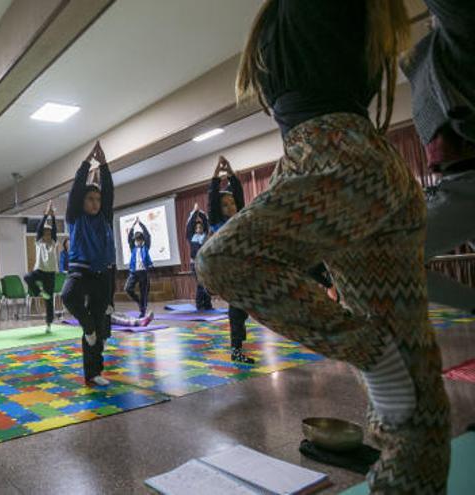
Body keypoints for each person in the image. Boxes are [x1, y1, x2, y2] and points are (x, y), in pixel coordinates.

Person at [197, 1, 449, 490]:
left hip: (340, 157)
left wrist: (367, 352)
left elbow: (229, 264)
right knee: (413, 405)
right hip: (341, 159)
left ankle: (377, 357)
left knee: (222, 260)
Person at [401, 0, 475, 313]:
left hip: (467, 183)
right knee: (394, 259)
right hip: (458, 183)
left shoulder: (461, 35)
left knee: (393, 258)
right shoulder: (430, 58)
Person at [61, 141, 114, 386]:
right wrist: (86, 164)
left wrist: (104, 165)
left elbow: (109, 191)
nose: (95, 203)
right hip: (80, 272)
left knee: (99, 328)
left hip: (103, 274)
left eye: (97, 199)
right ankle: (88, 325)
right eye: (90, 199)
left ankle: (94, 373)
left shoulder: (105, 217)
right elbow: (75, 191)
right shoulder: (75, 217)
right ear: (82, 202)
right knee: (69, 295)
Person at [206, 157, 253, 364]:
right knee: (236, 311)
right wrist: (217, 175)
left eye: (232, 203)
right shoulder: (217, 222)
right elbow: (211, 201)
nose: (231, 206)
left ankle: (238, 343)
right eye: (225, 205)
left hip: (244, 271)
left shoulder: (240, 218)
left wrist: (231, 173)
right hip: (228, 274)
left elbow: (240, 195)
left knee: (241, 311)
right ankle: (236, 348)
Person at [24, 200, 59, 333]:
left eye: (49, 234)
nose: (47, 235)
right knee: (27, 277)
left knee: (49, 301)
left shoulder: (54, 243)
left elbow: (54, 229)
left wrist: (53, 216)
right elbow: (39, 229)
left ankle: (49, 324)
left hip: (50, 274)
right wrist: (45, 215)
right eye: (45, 234)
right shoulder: (39, 242)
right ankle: (39, 292)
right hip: (39, 270)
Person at [185, 204, 213, 311]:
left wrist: (200, 212)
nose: (199, 228)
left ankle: (207, 304)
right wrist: (194, 212)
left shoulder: (205, 235)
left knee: (205, 283)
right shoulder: (191, 236)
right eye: (197, 227)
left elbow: (206, 222)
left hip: (204, 263)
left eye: (200, 227)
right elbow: (189, 225)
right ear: (195, 229)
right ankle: (199, 304)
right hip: (195, 264)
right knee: (200, 284)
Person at [124, 217, 153, 318]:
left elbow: (148, 236)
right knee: (128, 289)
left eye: (140, 240)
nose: (138, 241)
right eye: (136, 240)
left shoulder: (146, 247)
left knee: (144, 293)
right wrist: (133, 226)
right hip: (134, 273)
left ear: (142, 240)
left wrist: (141, 224)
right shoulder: (133, 248)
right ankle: (139, 302)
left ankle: (142, 311)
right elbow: (129, 238)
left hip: (144, 273)